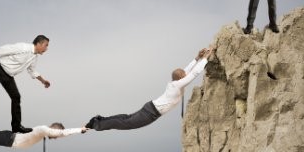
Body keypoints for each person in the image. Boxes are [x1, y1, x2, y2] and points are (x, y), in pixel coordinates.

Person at [85, 47, 213, 131]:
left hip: (150, 108)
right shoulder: (178, 85)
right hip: (151, 113)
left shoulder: (174, 83)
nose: (185, 75)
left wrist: (197, 58)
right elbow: (193, 73)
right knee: (126, 123)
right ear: (181, 78)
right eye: (183, 76)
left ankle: (99, 120)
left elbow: (187, 70)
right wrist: (205, 58)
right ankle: (97, 124)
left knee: (126, 119)